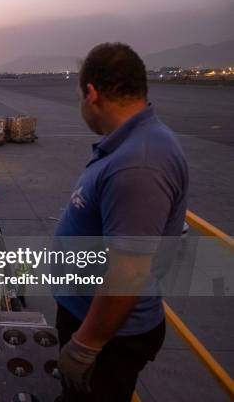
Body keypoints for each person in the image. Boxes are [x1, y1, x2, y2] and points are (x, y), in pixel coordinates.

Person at [54, 43, 188, 401]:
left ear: (92, 93)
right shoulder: (132, 146)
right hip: (91, 319)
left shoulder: (138, 164)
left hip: (106, 338)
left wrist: (85, 345)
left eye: (79, 95)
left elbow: (128, 272)